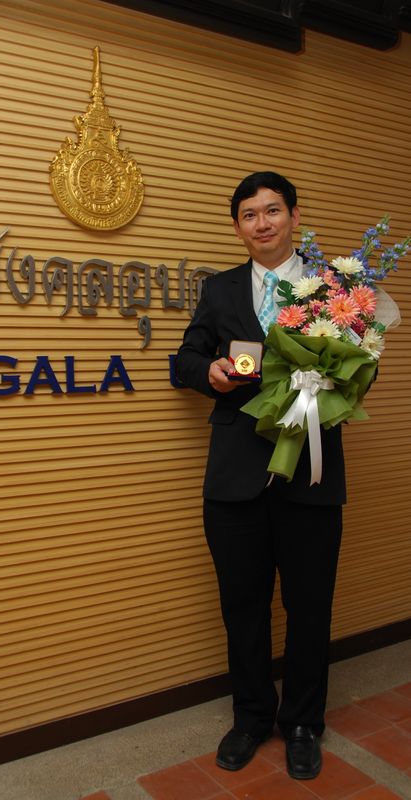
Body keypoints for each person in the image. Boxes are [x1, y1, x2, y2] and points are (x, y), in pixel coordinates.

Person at [175, 171, 345, 781]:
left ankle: (302, 723)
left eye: (273, 210)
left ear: (294, 217)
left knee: (310, 607)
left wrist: (333, 378)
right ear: (238, 227)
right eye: (249, 214)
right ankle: (250, 717)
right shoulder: (218, 289)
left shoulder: (334, 289)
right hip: (235, 476)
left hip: (311, 470)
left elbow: (364, 364)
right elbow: (185, 359)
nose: (262, 222)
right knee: (242, 605)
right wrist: (209, 373)